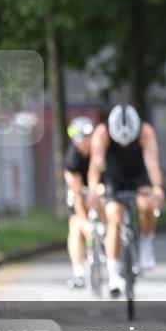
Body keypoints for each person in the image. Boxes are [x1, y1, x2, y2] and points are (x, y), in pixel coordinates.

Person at [88, 104, 165, 297]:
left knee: (146, 205)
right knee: (114, 216)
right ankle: (114, 275)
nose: (123, 145)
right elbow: (96, 164)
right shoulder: (102, 133)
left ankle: (146, 244)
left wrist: (157, 187)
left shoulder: (145, 132)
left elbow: (152, 162)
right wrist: (93, 190)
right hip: (114, 177)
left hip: (138, 174)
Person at [64, 116, 96, 289]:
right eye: (85, 137)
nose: (89, 141)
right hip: (79, 190)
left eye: (91, 136)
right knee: (76, 226)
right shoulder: (72, 158)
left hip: (97, 189)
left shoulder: (99, 151)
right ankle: (79, 272)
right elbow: (77, 194)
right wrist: (85, 222)